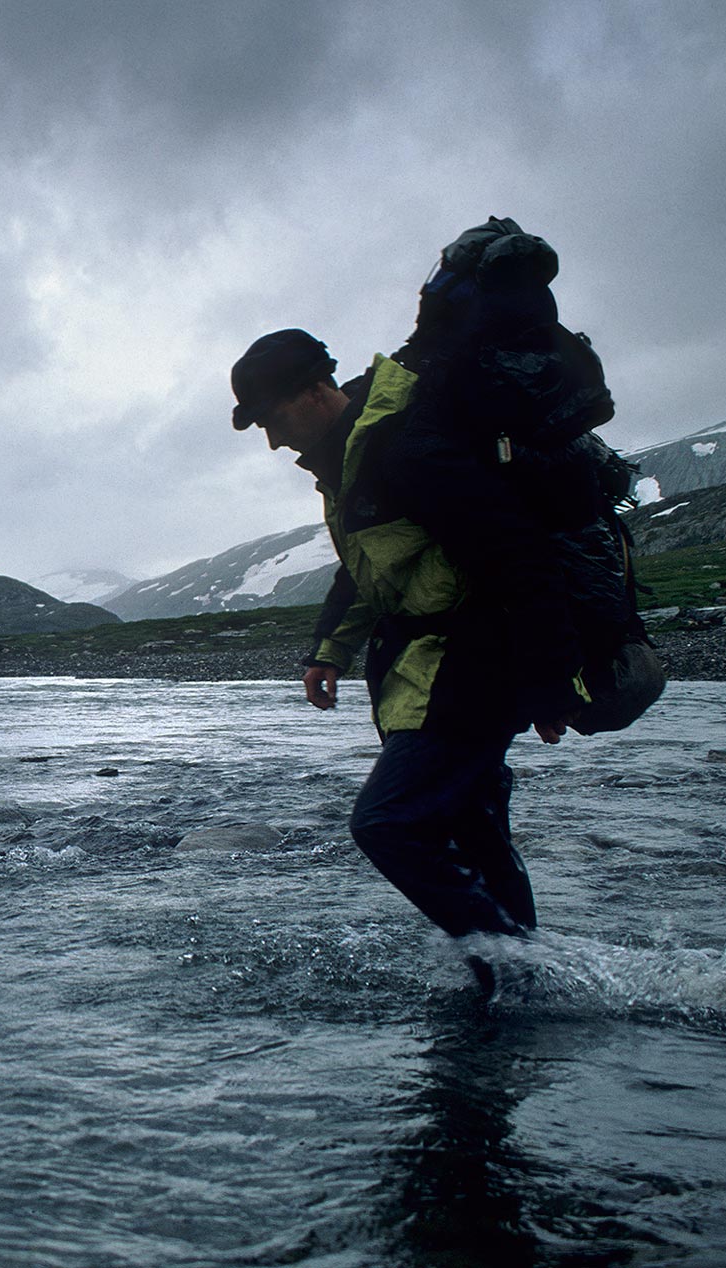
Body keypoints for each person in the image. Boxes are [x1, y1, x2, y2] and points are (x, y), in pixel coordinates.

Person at [229, 327, 592, 943]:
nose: (272, 440)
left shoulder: (406, 448)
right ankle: (514, 988)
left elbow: (518, 557)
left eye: (273, 417)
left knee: (387, 824)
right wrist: (329, 650)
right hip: (439, 664)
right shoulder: (354, 460)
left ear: (316, 390)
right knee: (475, 833)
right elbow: (371, 562)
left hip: (470, 665)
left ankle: (522, 969)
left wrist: (550, 681)